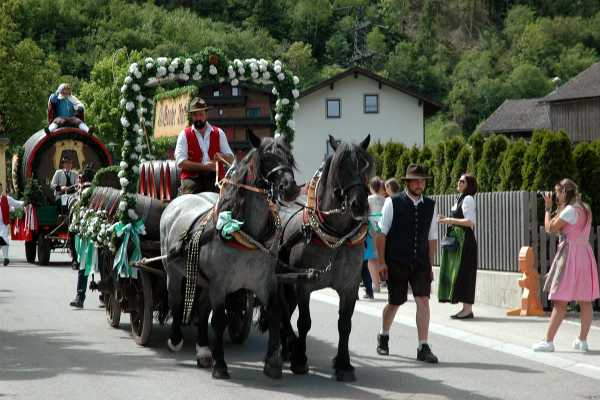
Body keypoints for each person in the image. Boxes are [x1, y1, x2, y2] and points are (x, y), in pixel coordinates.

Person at [375, 164, 439, 363]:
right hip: (397, 261)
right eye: (416, 180)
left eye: (423, 180)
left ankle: (423, 346)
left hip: (420, 262)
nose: (420, 184)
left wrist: (430, 264)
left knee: (423, 301)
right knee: (395, 303)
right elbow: (381, 233)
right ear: (408, 182)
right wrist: (381, 263)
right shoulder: (392, 203)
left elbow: (432, 237)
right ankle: (383, 335)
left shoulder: (430, 205)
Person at [533, 179, 599, 352]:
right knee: (585, 301)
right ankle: (582, 341)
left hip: (570, 255)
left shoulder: (570, 210)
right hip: (585, 254)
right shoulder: (585, 208)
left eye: (558, 192)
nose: (556, 196)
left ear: (564, 192)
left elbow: (550, 228)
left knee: (560, 300)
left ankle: (548, 341)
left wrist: (548, 209)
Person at [174, 97, 234, 195]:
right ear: (191, 116)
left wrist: (222, 157)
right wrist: (204, 167)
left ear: (206, 114)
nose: (198, 118)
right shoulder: (184, 134)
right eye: (195, 115)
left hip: (216, 178)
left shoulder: (219, 133)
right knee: (189, 201)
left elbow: (231, 159)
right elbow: (180, 162)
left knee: (227, 201)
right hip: (191, 179)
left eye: (201, 114)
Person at [437, 174, 478, 319]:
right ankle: (465, 308)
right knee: (458, 273)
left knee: (465, 273)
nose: (459, 182)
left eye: (462, 181)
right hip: (459, 241)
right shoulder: (460, 198)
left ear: (469, 185)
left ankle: (467, 309)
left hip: (465, 242)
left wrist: (448, 219)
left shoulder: (468, 199)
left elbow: (470, 222)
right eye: (459, 180)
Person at [69, 166, 96, 308]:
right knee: (102, 266)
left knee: (83, 265)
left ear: (82, 179)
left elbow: (78, 214)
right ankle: (104, 296)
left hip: (87, 235)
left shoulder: (83, 193)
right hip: (97, 234)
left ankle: (80, 297)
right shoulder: (97, 191)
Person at [366, 176, 387, 294]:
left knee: (371, 258)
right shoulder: (385, 199)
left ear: (371, 187)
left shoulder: (369, 199)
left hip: (372, 228)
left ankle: (376, 284)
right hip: (383, 228)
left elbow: (366, 213)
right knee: (381, 255)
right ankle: (383, 281)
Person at [0, 184, 24, 266]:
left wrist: (26, 202)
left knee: (4, 239)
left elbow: (16, 203)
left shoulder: (6, 199)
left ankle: (6, 258)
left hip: (3, 224)